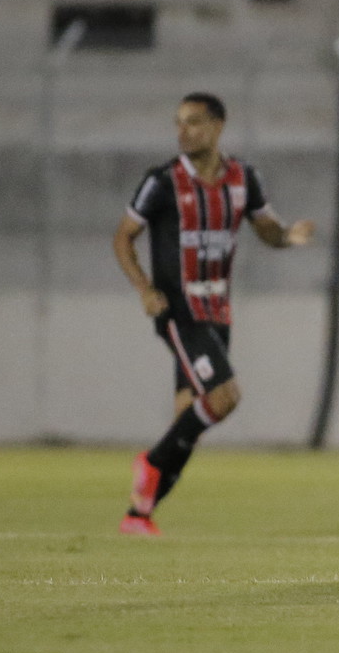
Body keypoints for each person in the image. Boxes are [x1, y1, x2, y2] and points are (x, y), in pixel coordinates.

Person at [111, 92, 315, 535]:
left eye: (195, 122)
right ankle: (150, 463)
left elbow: (267, 231)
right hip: (179, 310)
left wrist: (288, 237)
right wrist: (145, 290)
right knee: (225, 397)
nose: (184, 131)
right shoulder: (162, 182)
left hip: (218, 310)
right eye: (179, 122)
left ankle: (138, 515)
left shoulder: (244, 179)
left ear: (219, 126)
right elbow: (123, 237)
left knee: (190, 415)